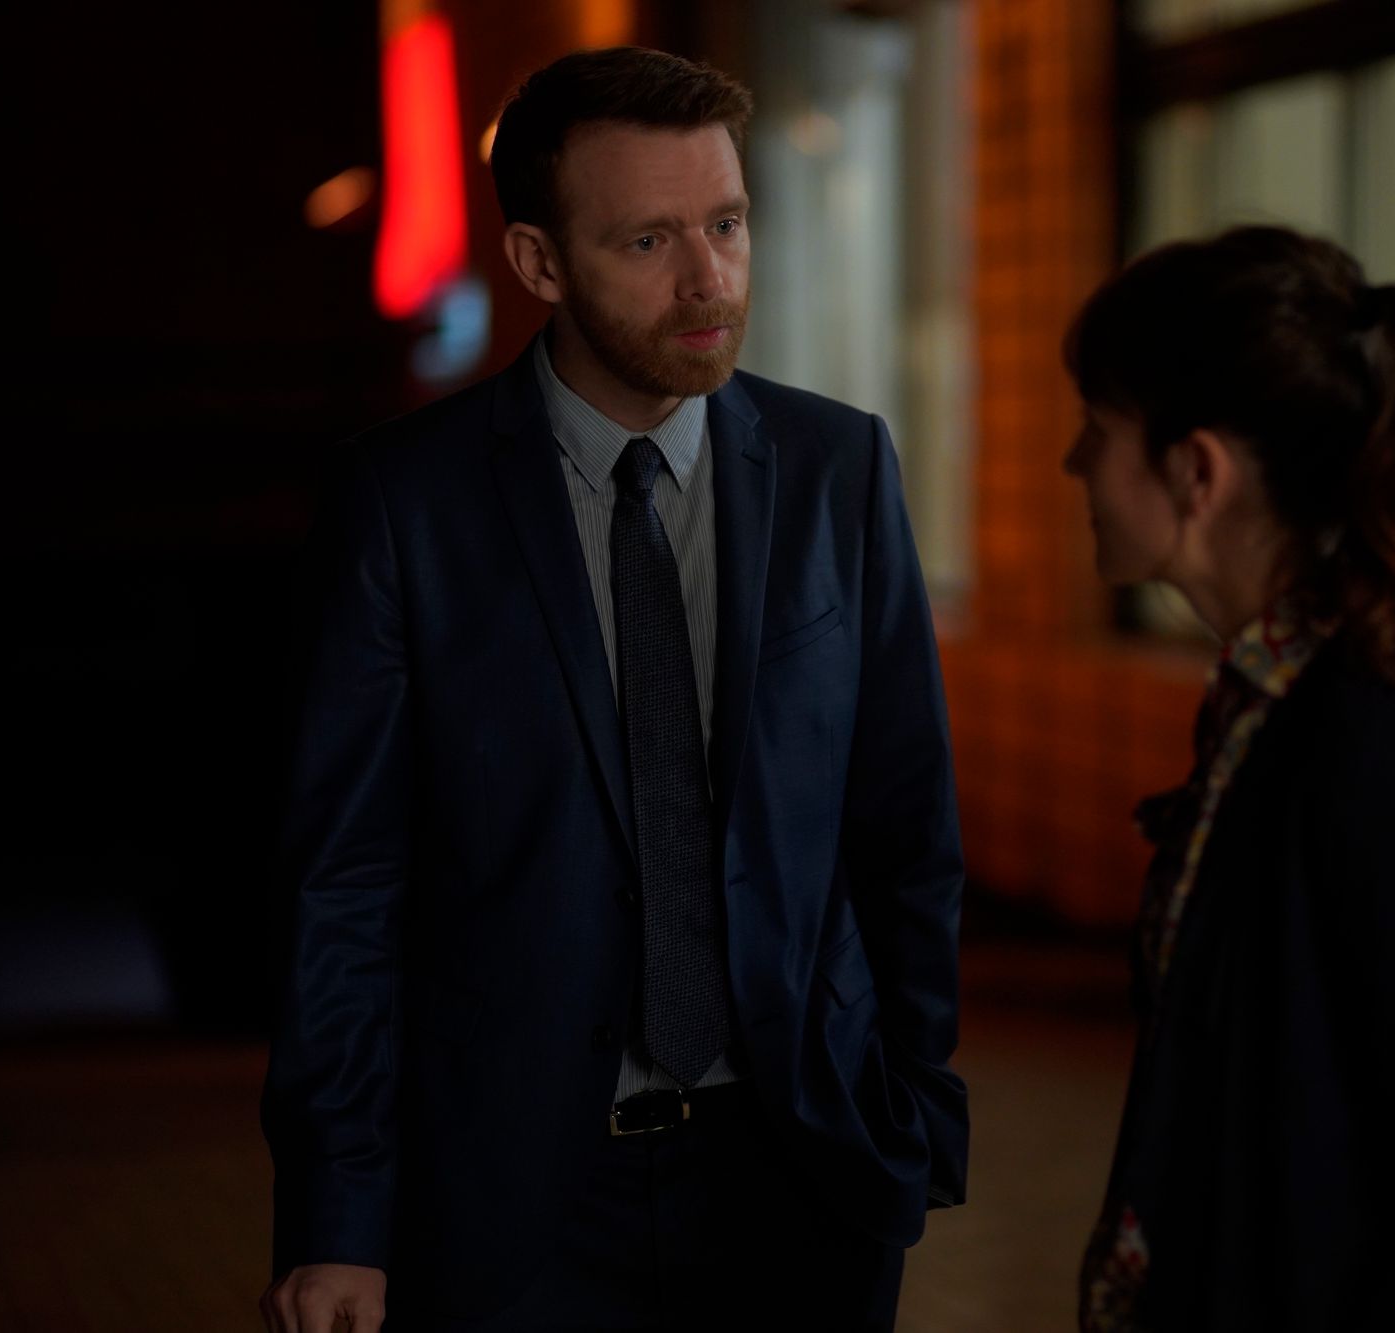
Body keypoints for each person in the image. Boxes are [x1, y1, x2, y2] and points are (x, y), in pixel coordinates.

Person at [259, 46, 966, 1333]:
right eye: (648, 241)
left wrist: (910, 1110)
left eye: (726, 224)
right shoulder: (404, 506)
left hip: (800, 1177)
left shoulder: (839, 469)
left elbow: (903, 825)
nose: (709, 280)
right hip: (514, 1200)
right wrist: (335, 1216)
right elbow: (345, 888)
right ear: (538, 262)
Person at [1060, 226, 1395, 1331]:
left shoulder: (1388, 740)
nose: (1073, 464)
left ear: (1195, 472)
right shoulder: (1267, 702)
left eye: (1098, 429)